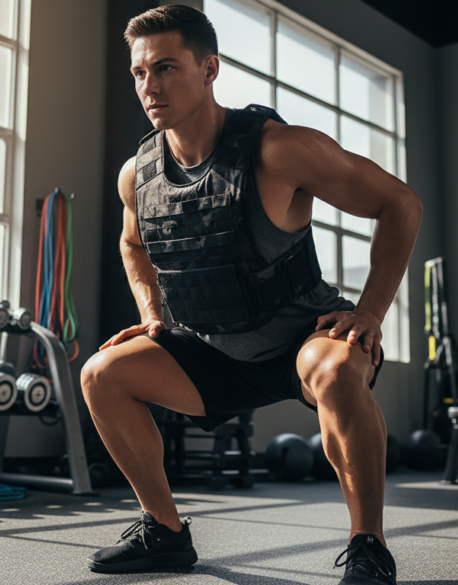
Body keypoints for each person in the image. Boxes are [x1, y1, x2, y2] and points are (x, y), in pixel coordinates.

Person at [80, 5, 421, 584]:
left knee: (338, 371)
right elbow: (133, 245)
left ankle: (369, 547)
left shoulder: (279, 150)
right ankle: (164, 531)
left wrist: (369, 311)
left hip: (303, 339)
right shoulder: (137, 174)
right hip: (212, 351)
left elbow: (400, 205)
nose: (149, 86)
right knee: (101, 374)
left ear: (209, 68)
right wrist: (152, 316)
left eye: (165, 67)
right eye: (139, 73)